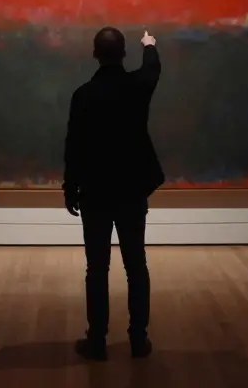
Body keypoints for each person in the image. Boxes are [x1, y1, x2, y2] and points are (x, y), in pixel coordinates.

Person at [63, 27, 165, 361]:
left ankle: (97, 341)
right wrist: (149, 45)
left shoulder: (83, 95)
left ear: (95, 53)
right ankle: (138, 339)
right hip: (132, 189)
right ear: (123, 54)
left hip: (95, 190)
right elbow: (152, 69)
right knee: (136, 265)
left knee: (97, 268)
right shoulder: (137, 87)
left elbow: (73, 147)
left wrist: (69, 187)